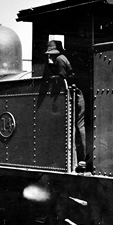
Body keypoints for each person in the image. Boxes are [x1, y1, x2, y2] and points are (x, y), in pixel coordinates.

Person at [46, 40, 87, 172]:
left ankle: (80, 158)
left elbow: (62, 78)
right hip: (79, 94)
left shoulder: (59, 60)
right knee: (79, 125)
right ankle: (82, 157)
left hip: (75, 96)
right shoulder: (64, 57)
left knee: (77, 126)